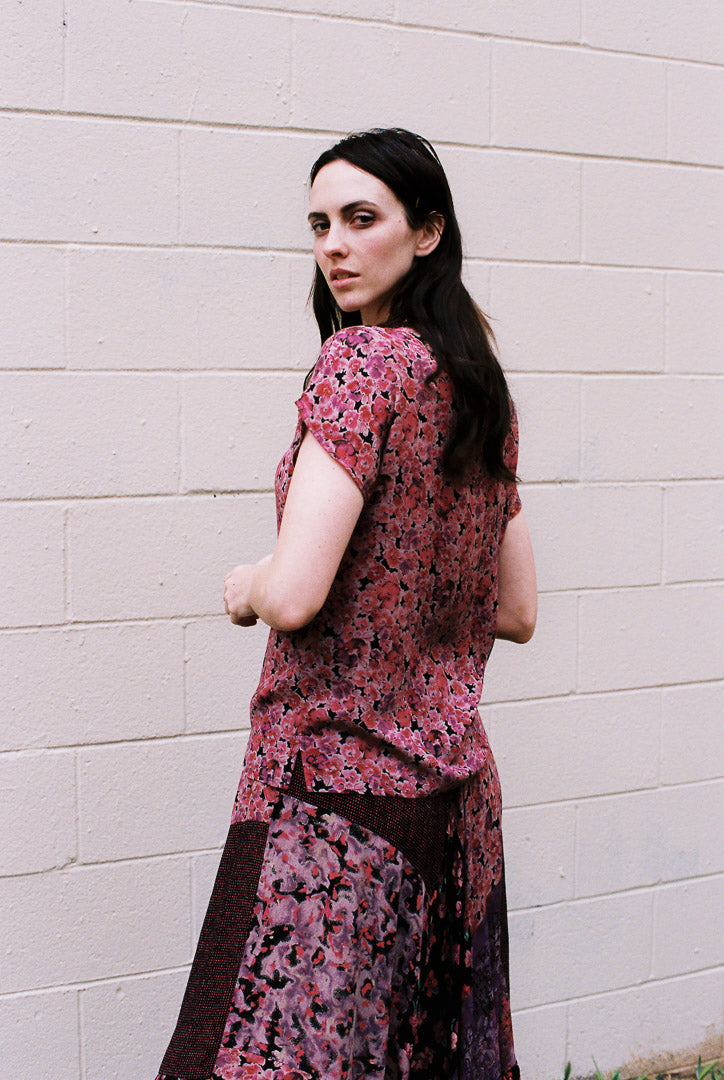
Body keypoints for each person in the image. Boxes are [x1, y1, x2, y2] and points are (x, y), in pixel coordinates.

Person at [155, 127, 536, 1080]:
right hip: (449, 800)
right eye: (320, 223)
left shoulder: (361, 365)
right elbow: (516, 607)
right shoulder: (481, 392)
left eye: (362, 219)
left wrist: (246, 588)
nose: (333, 245)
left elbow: (294, 593)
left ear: (428, 234)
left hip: (330, 794)